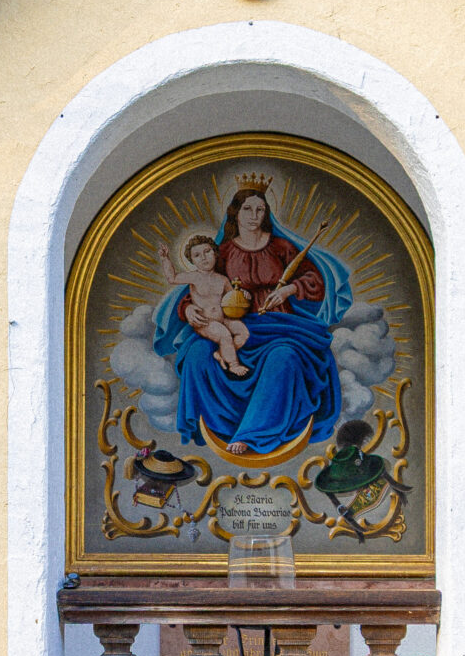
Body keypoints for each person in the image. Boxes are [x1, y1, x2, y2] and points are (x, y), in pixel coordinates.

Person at [148, 180, 354, 458]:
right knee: (197, 353)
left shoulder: (281, 247)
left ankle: (254, 433)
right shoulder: (222, 252)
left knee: (284, 357)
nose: (254, 215)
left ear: (267, 213)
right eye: (247, 209)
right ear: (235, 212)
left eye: (260, 209)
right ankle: (219, 426)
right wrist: (187, 309)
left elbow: (313, 279)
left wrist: (288, 290)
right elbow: (201, 287)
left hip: (279, 325)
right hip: (231, 322)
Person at [155, 232, 250, 377]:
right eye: (197, 255)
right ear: (192, 260)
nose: (204, 257)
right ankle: (233, 365)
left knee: (243, 332)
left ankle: (221, 353)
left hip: (223, 318)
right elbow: (172, 278)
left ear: (215, 253)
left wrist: (243, 295)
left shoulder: (223, 279)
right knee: (224, 335)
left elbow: (232, 298)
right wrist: (165, 259)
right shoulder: (194, 277)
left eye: (207, 252)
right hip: (205, 322)